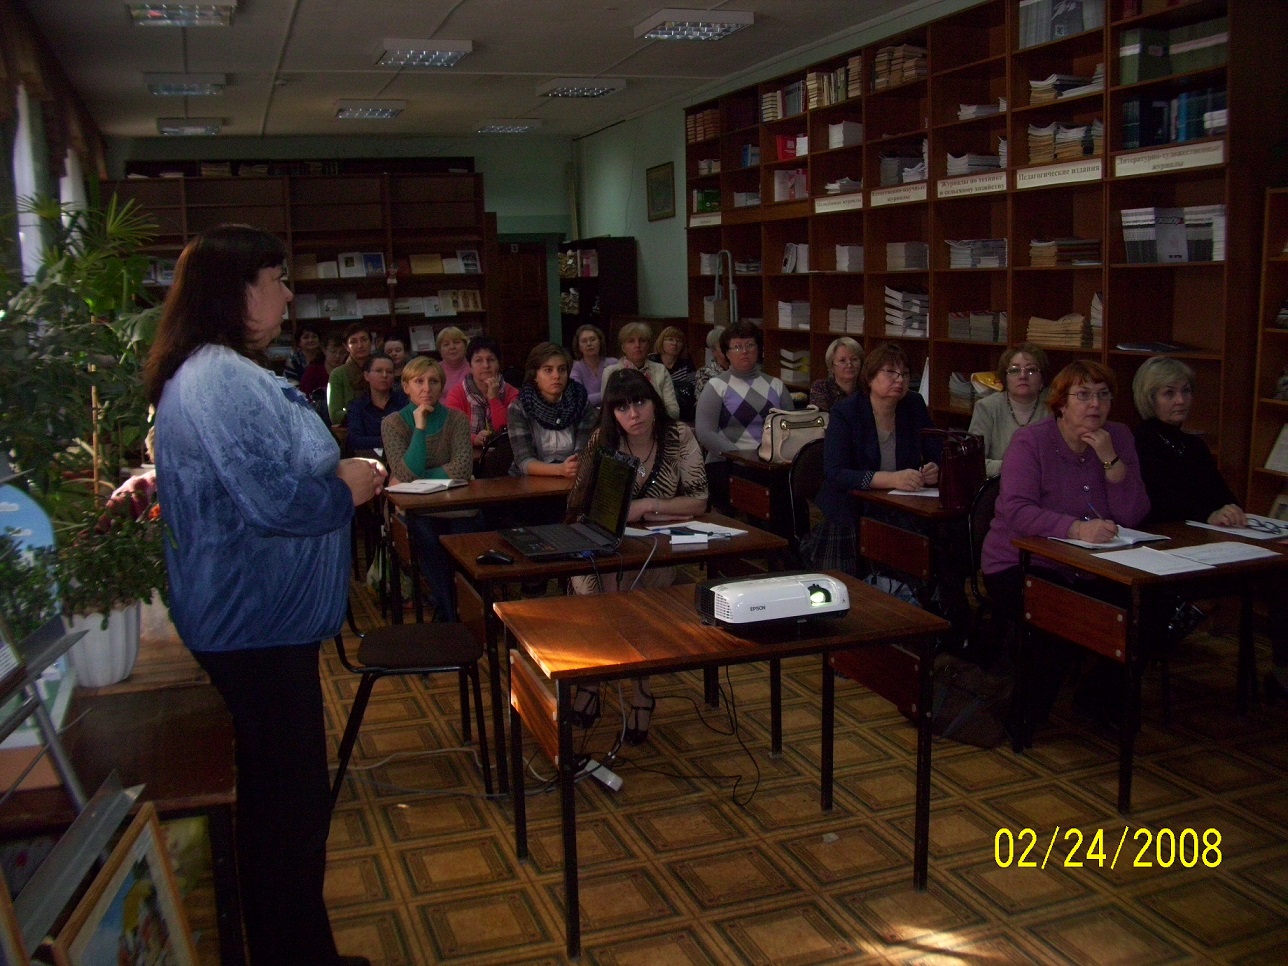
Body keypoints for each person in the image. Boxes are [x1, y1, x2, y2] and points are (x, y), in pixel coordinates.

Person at [145, 223, 380, 966]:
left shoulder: (222, 370)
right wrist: (347, 486)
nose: (286, 291)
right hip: (256, 631)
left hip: (266, 627)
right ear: (235, 289)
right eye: (276, 278)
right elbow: (275, 501)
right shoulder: (217, 376)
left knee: (287, 811)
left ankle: (298, 949)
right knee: (287, 814)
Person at [982, 360, 1150, 727]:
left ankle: (1095, 698)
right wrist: (1076, 529)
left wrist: (1111, 461)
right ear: (1060, 402)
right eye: (1084, 395)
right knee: (1061, 619)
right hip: (1019, 562)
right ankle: (1024, 720)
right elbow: (1016, 511)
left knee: (1151, 613)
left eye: (1103, 395)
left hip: (1094, 565)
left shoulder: (1118, 437)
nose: (1095, 405)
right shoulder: (1032, 441)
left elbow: (1133, 514)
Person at [1131, 356, 1288, 698]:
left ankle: (1282, 674)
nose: (1180, 400)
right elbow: (1157, 499)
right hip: (1165, 544)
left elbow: (1221, 493)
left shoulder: (1194, 444)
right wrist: (1209, 513)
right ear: (1149, 398)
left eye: (1186, 391)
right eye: (1169, 393)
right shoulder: (1139, 441)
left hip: (1208, 543)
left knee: (1282, 578)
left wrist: (1228, 508)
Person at [567, 369, 708, 743]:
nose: (634, 414)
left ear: (654, 402)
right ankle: (602, 683)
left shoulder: (679, 437)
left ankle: (630, 690)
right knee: (597, 594)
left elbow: (699, 498)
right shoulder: (602, 440)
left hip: (658, 550)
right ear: (611, 413)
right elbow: (578, 502)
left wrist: (647, 505)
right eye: (622, 407)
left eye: (641, 402)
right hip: (606, 547)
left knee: (631, 597)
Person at [804, 342, 940, 575]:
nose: (899, 380)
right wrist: (891, 479)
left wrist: (934, 467)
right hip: (851, 505)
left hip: (902, 502)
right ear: (869, 377)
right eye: (890, 372)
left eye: (905, 374)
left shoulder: (913, 405)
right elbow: (836, 473)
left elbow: (936, 448)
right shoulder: (846, 411)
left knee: (940, 537)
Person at [382, 355, 476, 621]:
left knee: (468, 535)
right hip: (415, 510)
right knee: (426, 538)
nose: (426, 388)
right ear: (406, 386)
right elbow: (405, 473)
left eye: (433, 381)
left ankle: (461, 609)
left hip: (456, 504)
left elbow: (461, 468)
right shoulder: (393, 423)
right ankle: (451, 612)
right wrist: (420, 428)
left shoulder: (456, 420)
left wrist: (418, 476)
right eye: (419, 381)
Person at [694, 320, 792, 506]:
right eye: (737, 347)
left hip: (771, 462)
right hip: (727, 462)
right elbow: (705, 432)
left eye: (749, 345)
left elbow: (790, 427)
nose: (744, 351)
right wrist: (742, 456)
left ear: (759, 349)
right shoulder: (716, 386)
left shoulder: (776, 385)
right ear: (727, 353)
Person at [508, 342, 596, 478]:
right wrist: (560, 470)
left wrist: (573, 466)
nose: (556, 376)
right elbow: (524, 460)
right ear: (535, 375)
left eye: (562, 369)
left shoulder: (581, 403)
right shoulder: (519, 407)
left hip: (574, 477)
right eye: (548, 370)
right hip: (528, 481)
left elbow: (583, 452)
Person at [968, 343, 1052, 477]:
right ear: (1005, 379)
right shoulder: (987, 407)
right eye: (1014, 370)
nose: (1023, 376)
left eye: (1031, 370)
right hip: (999, 486)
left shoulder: (1054, 407)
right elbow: (971, 462)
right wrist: (1014, 466)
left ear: (1042, 380)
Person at [444, 334, 519, 447]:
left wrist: (494, 399)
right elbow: (451, 432)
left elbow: (508, 432)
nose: (486, 365)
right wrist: (473, 439)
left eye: (491, 360)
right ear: (470, 366)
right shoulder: (456, 393)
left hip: (505, 454)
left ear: (498, 363)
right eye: (478, 360)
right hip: (469, 456)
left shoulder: (512, 393)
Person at [601, 322, 680, 419]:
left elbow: (674, 410)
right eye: (631, 341)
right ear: (623, 347)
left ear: (648, 345)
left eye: (642, 340)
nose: (637, 345)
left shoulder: (660, 370)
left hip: (658, 425)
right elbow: (607, 412)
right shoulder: (610, 372)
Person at [345, 354, 407, 452]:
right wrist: (391, 440)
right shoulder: (357, 407)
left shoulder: (404, 402)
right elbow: (355, 441)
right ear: (366, 375)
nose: (384, 375)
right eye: (379, 371)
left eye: (389, 372)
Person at [327, 323, 373, 425]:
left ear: (371, 343)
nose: (360, 345)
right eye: (354, 341)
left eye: (364, 340)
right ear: (346, 347)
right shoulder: (338, 374)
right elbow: (335, 415)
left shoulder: (380, 368)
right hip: (352, 428)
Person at [650, 325, 697, 422]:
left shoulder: (686, 362)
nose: (674, 343)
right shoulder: (652, 361)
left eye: (679, 341)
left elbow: (693, 387)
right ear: (661, 342)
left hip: (683, 410)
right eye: (670, 339)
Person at [808, 337, 864, 412]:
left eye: (854, 359)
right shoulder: (821, 387)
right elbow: (822, 419)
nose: (849, 365)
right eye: (842, 360)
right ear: (831, 367)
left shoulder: (866, 388)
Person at [570, 323, 616, 407]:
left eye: (593, 339)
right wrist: (607, 394)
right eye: (584, 341)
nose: (589, 344)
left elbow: (620, 393)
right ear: (579, 347)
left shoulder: (613, 363)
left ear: (600, 342)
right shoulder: (575, 368)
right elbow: (578, 399)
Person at [300, 332, 346, 398]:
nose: (337, 356)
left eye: (342, 353)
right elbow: (303, 397)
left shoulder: (348, 372)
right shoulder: (313, 372)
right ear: (324, 350)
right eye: (333, 351)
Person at [692, 325, 728, 399]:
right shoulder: (704, 373)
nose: (727, 349)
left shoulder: (740, 370)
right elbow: (703, 403)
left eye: (728, 345)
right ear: (714, 351)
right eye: (722, 346)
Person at [435, 325, 470, 395]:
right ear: (440, 351)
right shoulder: (434, 370)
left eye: (456, 342)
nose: (452, 347)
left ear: (465, 346)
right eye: (446, 344)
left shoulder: (475, 368)